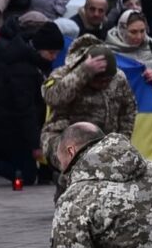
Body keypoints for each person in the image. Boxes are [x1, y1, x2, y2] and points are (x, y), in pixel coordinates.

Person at [0, 21, 62, 186]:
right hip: (11, 127)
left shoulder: (37, 63)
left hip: (28, 125)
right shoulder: (22, 69)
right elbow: (25, 109)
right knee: (25, 176)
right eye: (51, 52)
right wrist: (35, 145)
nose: (54, 57)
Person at [40, 36, 137, 168]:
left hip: (104, 141)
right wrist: (83, 72)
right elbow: (53, 98)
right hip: (63, 139)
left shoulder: (118, 79)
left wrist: (122, 140)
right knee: (76, 165)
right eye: (99, 81)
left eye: (107, 81)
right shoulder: (63, 74)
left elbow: (128, 109)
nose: (103, 84)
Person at [105, 9, 152, 91]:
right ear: (122, 30)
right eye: (133, 32)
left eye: (142, 31)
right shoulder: (109, 51)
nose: (139, 36)